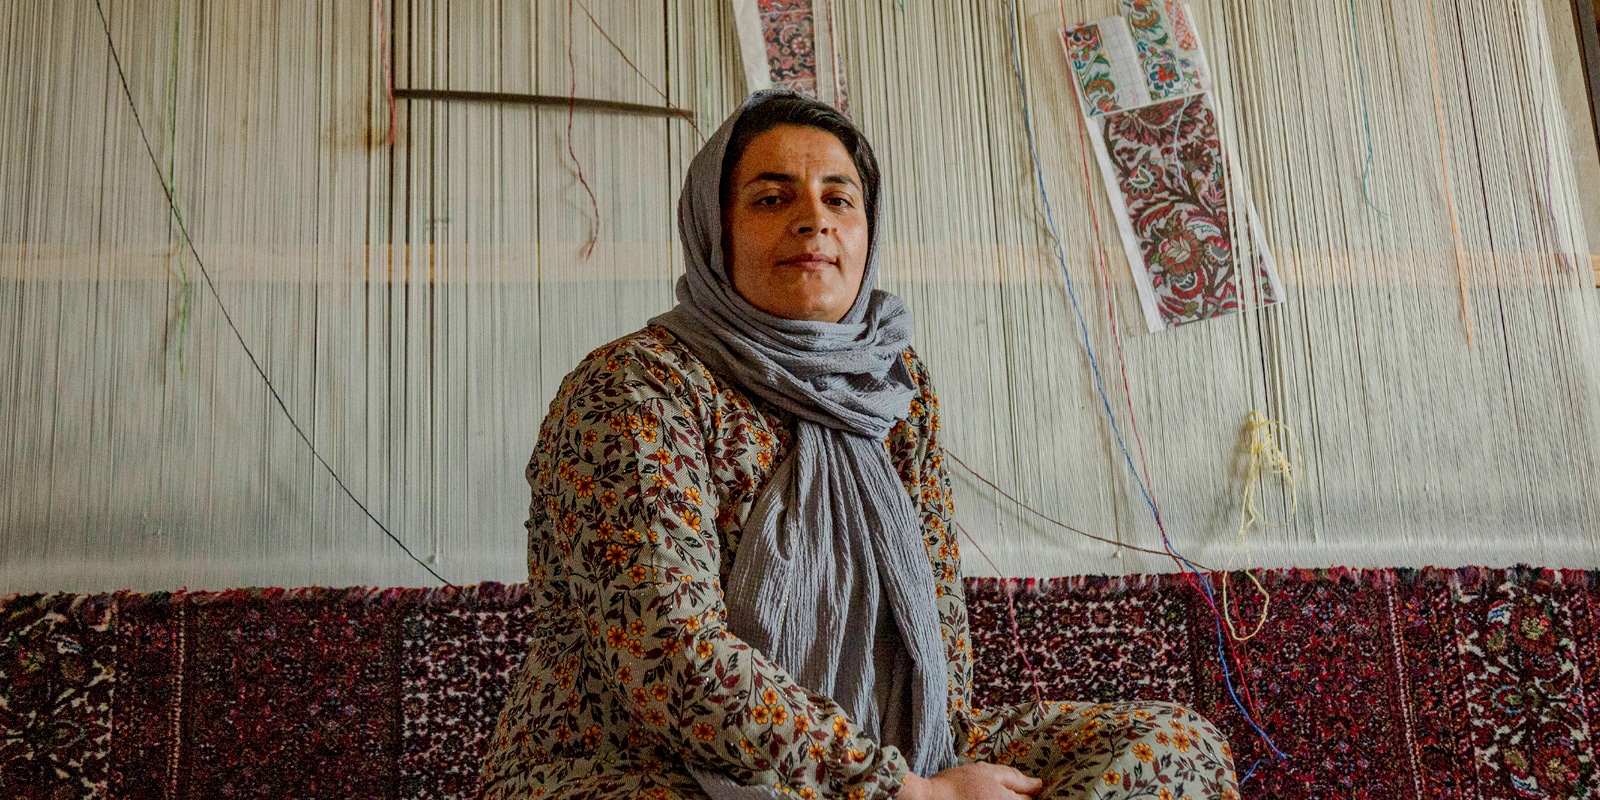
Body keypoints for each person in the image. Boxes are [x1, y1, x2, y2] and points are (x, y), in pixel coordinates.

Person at [479, 90, 1238, 800]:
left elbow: (935, 615)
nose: (814, 220)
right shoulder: (638, 388)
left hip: (889, 744)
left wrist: (939, 761)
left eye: (839, 199)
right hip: (642, 763)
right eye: (772, 199)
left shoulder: (894, 388)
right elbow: (670, 659)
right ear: (715, 229)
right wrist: (896, 790)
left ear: (868, 230)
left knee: (1172, 747)